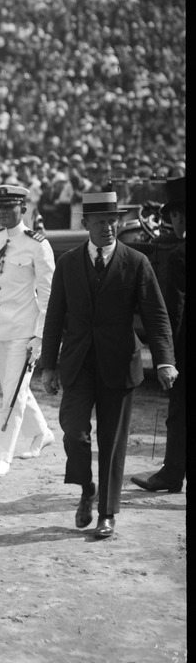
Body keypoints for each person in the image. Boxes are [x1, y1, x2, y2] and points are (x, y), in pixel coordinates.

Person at [41, 191, 177, 539]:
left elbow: (156, 316)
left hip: (119, 364)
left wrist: (164, 361)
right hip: (78, 364)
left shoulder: (136, 262)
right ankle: (87, 487)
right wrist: (49, 366)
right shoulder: (68, 262)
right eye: (100, 222)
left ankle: (107, 514)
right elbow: (55, 316)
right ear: (85, 224)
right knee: (73, 430)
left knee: (112, 442)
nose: (108, 227)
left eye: (113, 221)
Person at [0, 185, 57, 478]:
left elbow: (48, 295)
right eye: (0, 208)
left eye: (10, 208)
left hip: (23, 331)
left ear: (24, 210)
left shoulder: (37, 244)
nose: (4, 213)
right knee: (12, 389)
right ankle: (42, 432)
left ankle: (2, 456)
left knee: (12, 395)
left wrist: (41, 336)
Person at [132, 174, 186, 493]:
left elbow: (173, 313)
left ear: (179, 214)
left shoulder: (179, 255)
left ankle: (171, 473)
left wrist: (168, 358)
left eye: (172, 216)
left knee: (178, 412)